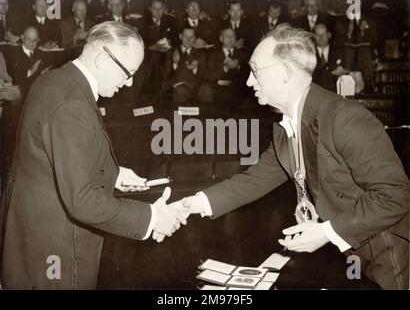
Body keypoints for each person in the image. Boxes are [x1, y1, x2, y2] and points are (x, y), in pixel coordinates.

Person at [165, 24, 409, 289]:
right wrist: (194, 203)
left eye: (255, 71)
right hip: (353, 254)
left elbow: (395, 195)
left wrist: (327, 232)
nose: (248, 81)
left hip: (389, 253)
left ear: (284, 72)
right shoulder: (285, 127)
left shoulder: (344, 118)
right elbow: (254, 180)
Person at [0, 21, 187, 289]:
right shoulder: (72, 104)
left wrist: (114, 174)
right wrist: (153, 218)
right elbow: (83, 201)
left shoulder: (54, 80)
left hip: (30, 237)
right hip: (58, 249)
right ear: (102, 58)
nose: (130, 82)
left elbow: (53, 158)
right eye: (128, 72)